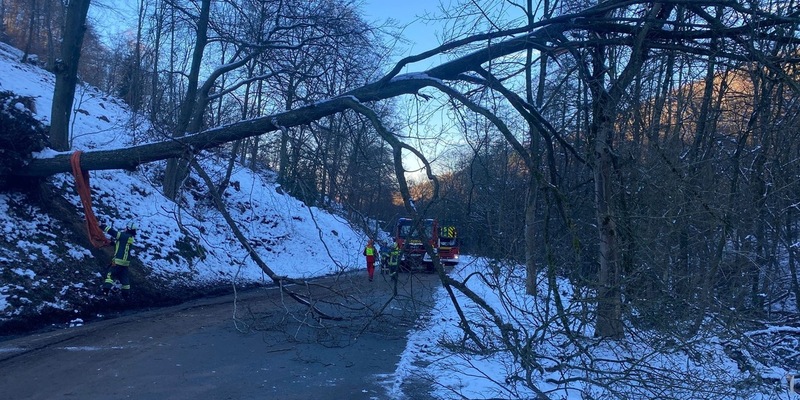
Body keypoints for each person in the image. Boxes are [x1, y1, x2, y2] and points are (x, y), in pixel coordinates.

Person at [101, 220, 137, 299]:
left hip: (117, 261)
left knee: (110, 275)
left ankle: (105, 292)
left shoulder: (124, 236)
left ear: (128, 228)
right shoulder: (130, 238)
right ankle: (126, 296)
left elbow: (114, 233)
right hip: (125, 263)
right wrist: (114, 243)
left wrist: (103, 226)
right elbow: (121, 246)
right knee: (124, 278)